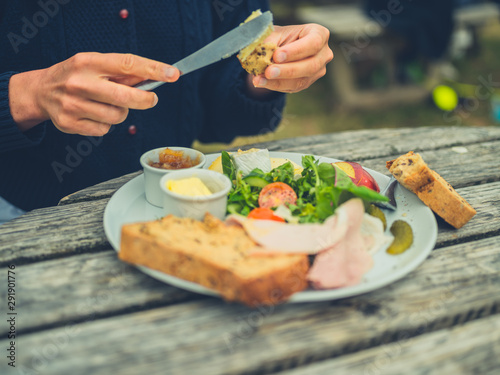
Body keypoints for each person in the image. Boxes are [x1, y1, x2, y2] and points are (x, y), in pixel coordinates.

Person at [0, 0, 333, 221]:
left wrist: (272, 69)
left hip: (175, 209)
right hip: (27, 220)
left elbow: (223, 104)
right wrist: (24, 97)